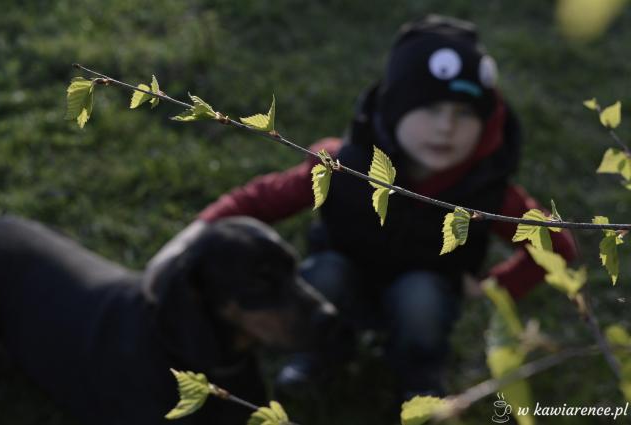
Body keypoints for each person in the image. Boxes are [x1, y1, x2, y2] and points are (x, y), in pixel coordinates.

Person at [196, 15, 577, 401]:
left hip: (425, 297)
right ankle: (321, 351)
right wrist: (200, 233)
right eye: (430, 109)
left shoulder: (488, 191)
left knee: (420, 295)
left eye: (464, 114)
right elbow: (262, 199)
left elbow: (556, 246)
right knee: (324, 275)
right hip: (345, 278)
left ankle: (418, 369)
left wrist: (491, 287)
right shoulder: (342, 165)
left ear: (487, 124)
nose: (446, 127)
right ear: (394, 109)